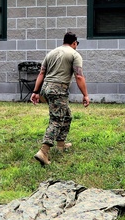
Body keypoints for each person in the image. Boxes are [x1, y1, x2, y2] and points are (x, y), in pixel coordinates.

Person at [30, 32, 90, 166]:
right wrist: (85, 95)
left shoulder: (51, 53)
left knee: (67, 115)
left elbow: (41, 73)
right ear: (74, 43)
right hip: (58, 89)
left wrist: (35, 92)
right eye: (77, 44)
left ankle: (61, 144)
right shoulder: (74, 54)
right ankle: (43, 152)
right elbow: (79, 76)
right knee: (56, 119)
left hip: (46, 88)